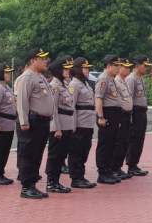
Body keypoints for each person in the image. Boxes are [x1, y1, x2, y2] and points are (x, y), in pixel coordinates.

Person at [14, 49, 56, 199]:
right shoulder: (26, 77)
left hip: (42, 122)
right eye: (42, 59)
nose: (46, 61)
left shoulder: (40, 77)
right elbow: (22, 101)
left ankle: (32, 184)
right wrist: (24, 121)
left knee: (37, 154)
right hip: (32, 121)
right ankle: (26, 187)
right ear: (33, 60)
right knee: (29, 155)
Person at [45, 58, 75, 194]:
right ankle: (51, 182)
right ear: (58, 70)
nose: (68, 71)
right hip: (59, 126)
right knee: (55, 155)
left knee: (61, 155)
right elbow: (54, 108)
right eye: (66, 68)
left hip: (67, 124)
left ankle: (56, 181)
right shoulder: (55, 86)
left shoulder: (64, 85)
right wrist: (57, 128)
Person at [67, 57, 97, 189]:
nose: (87, 70)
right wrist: (72, 126)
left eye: (88, 68)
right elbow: (71, 106)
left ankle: (81, 176)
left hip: (87, 123)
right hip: (79, 124)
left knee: (84, 150)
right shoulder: (74, 84)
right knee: (76, 151)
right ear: (78, 69)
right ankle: (76, 178)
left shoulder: (85, 83)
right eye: (85, 68)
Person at [94, 55, 123, 185]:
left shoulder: (112, 79)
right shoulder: (103, 79)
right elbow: (99, 98)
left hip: (114, 114)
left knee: (112, 143)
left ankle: (108, 170)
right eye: (116, 66)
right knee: (105, 144)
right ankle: (103, 173)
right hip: (107, 114)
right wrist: (100, 117)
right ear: (109, 66)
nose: (119, 68)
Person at [125, 55, 152, 176]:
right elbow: (129, 98)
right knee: (134, 139)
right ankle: (131, 165)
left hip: (141, 112)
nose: (146, 68)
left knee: (140, 139)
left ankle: (134, 164)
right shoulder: (131, 79)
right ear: (137, 65)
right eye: (144, 65)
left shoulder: (140, 78)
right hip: (135, 112)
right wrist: (130, 117)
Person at [0, 64, 16, 185]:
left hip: (9, 123)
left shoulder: (6, 87)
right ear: (0, 73)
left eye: (9, 72)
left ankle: (1, 172)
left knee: (5, 150)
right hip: (2, 123)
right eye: (6, 72)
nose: (8, 75)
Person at [111, 58, 134, 180]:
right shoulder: (117, 82)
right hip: (120, 115)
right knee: (119, 142)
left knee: (125, 141)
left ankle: (118, 167)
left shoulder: (124, 81)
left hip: (126, 115)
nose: (128, 69)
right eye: (125, 67)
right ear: (120, 68)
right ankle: (114, 168)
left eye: (129, 67)